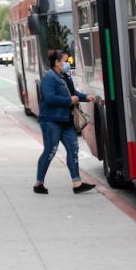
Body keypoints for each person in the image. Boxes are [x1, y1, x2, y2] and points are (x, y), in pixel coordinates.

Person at [34, 49, 96, 195]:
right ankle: (39, 183)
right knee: (50, 151)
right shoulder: (49, 78)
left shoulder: (65, 76)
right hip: (51, 121)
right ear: (56, 62)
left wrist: (86, 97)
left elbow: (72, 93)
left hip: (66, 120)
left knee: (73, 150)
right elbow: (49, 98)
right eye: (65, 61)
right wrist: (69, 101)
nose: (68, 63)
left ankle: (77, 183)